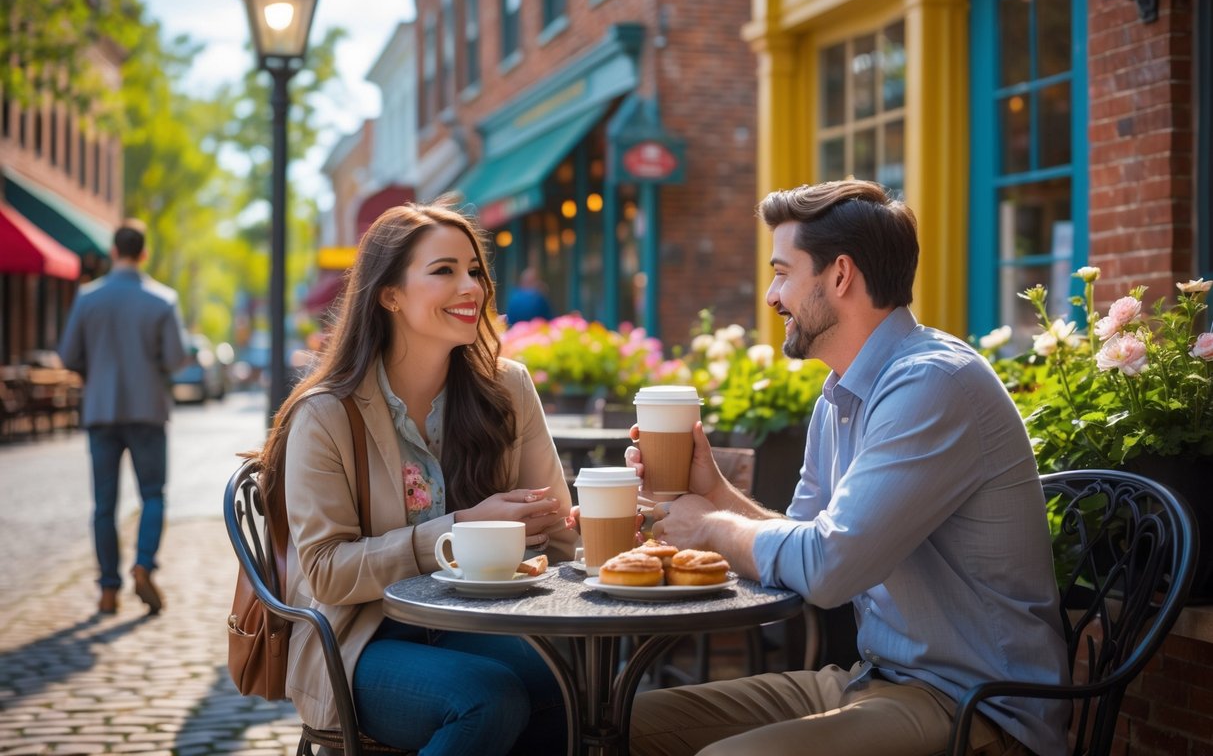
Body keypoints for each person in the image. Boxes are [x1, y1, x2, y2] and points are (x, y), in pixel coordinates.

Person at [627, 180, 1070, 756]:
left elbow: (828, 569)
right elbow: (806, 547)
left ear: (839, 276)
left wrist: (710, 527)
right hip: (872, 682)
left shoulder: (931, 382)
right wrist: (713, 491)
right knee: (620, 720)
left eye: (783, 273)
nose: (771, 296)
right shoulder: (840, 397)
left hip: (977, 708)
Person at [254, 199, 575, 755]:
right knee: (487, 698)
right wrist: (459, 531)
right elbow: (328, 574)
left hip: (475, 622)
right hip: (357, 637)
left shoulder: (508, 389)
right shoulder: (327, 413)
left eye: (474, 270)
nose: (470, 286)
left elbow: (562, 530)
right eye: (444, 271)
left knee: (567, 686)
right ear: (390, 294)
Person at [59, 219, 189, 616]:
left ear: (114, 252)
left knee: (103, 504)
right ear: (144, 253)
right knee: (152, 494)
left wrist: (95, 374)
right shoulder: (162, 300)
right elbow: (176, 359)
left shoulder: (87, 298)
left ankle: (108, 590)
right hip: (147, 410)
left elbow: (67, 355)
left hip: (101, 409)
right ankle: (143, 563)